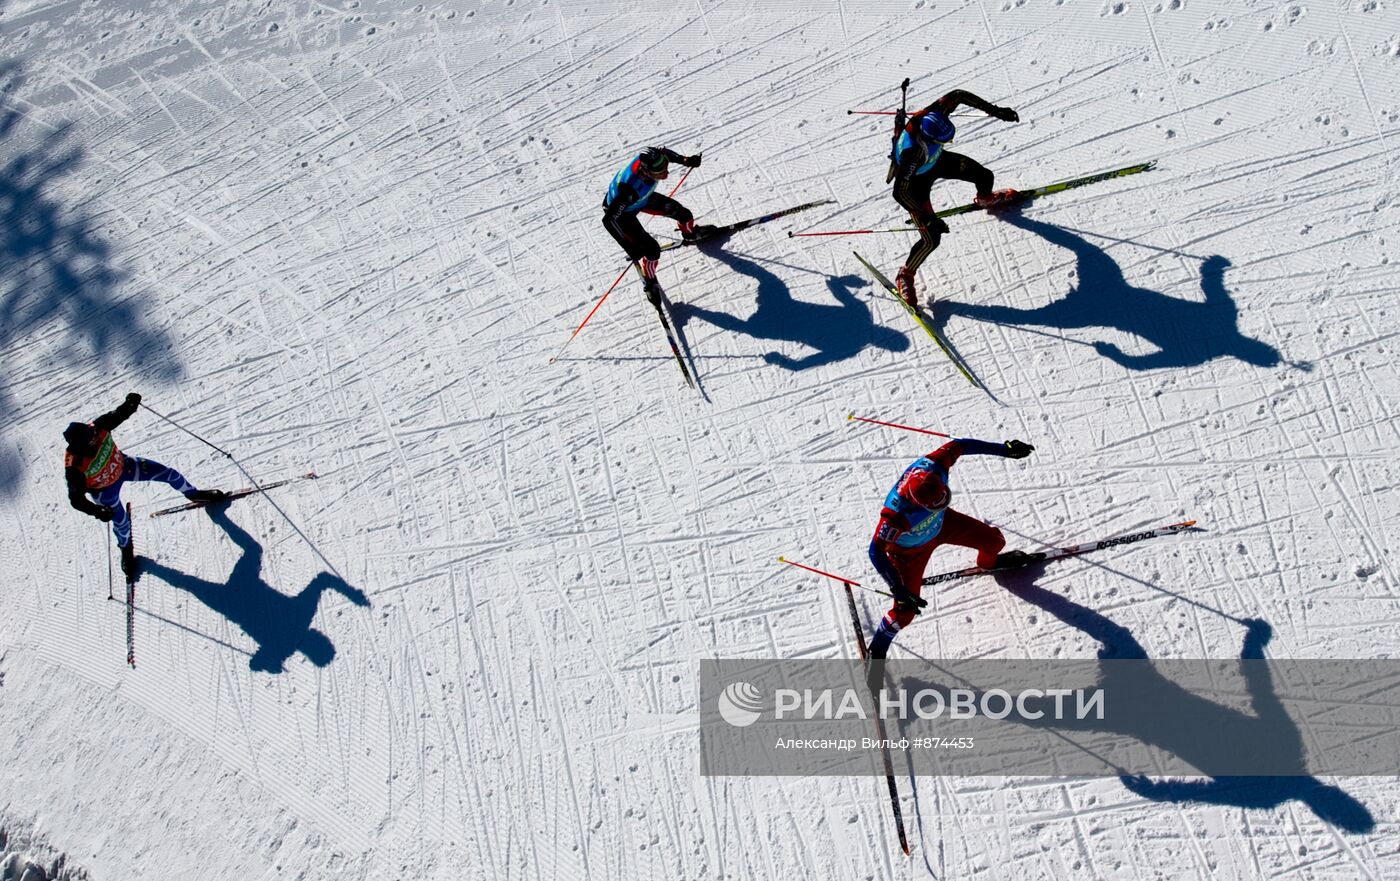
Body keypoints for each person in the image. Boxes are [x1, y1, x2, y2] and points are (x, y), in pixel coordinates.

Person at [866, 436, 1035, 660]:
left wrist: (1004, 449)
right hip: (909, 554)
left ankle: (988, 564)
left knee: (994, 542)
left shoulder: (933, 466)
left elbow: (960, 445)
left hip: (944, 524)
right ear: (919, 503)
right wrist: (898, 589)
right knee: (904, 613)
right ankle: (876, 651)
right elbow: (875, 551)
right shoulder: (896, 515)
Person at [64, 393, 226, 578]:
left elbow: (118, 415)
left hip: (125, 466)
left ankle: (194, 494)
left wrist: (130, 404)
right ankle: (126, 550)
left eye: (93, 434)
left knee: (169, 474)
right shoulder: (74, 466)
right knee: (121, 524)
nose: (95, 437)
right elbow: (75, 500)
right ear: (80, 446)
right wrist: (97, 511)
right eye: (90, 439)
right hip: (104, 490)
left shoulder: (97, 426)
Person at [891, 89, 1021, 307]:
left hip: (936, 160)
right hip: (916, 183)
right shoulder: (911, 155)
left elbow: (959, 95)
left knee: (984, 176)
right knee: (931, 238)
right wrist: (929, 219)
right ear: (929, 136)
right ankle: (905, 275)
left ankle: (985, 199)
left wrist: (995, 111)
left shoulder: (934, 113)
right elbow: (900, 192)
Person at [602, 146, 705, 303]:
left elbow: (665, 153)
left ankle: (690, 235)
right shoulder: (629, 190)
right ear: (646, 171)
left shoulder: (652, 159)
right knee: (652, 251)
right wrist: (630, 248)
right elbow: (609, 219)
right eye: (660, 171)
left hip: (642, 199)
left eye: (665, 166)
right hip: (623, 213)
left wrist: (685, 160)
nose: (666, 172)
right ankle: (649, 280)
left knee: (684, 215)